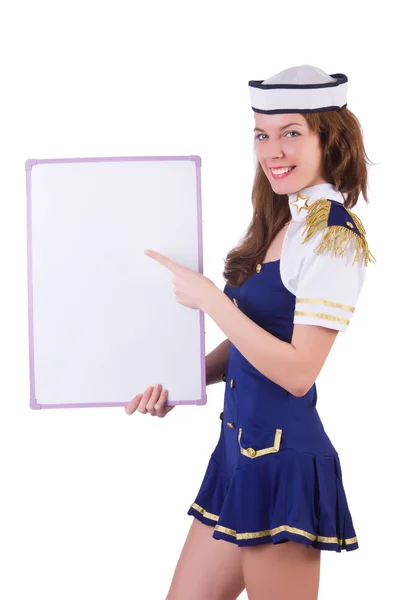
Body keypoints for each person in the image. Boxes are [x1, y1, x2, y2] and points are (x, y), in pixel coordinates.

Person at [125, 65, 376, 600]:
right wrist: (182, 381)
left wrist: (211, 300)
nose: (273, 151)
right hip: (237, 455)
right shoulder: (283, 222)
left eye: (291, 133)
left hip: (283, 465)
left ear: (330, 139)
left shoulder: (333, 233)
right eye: (262, 135)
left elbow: (298, 372)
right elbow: (249, 342)